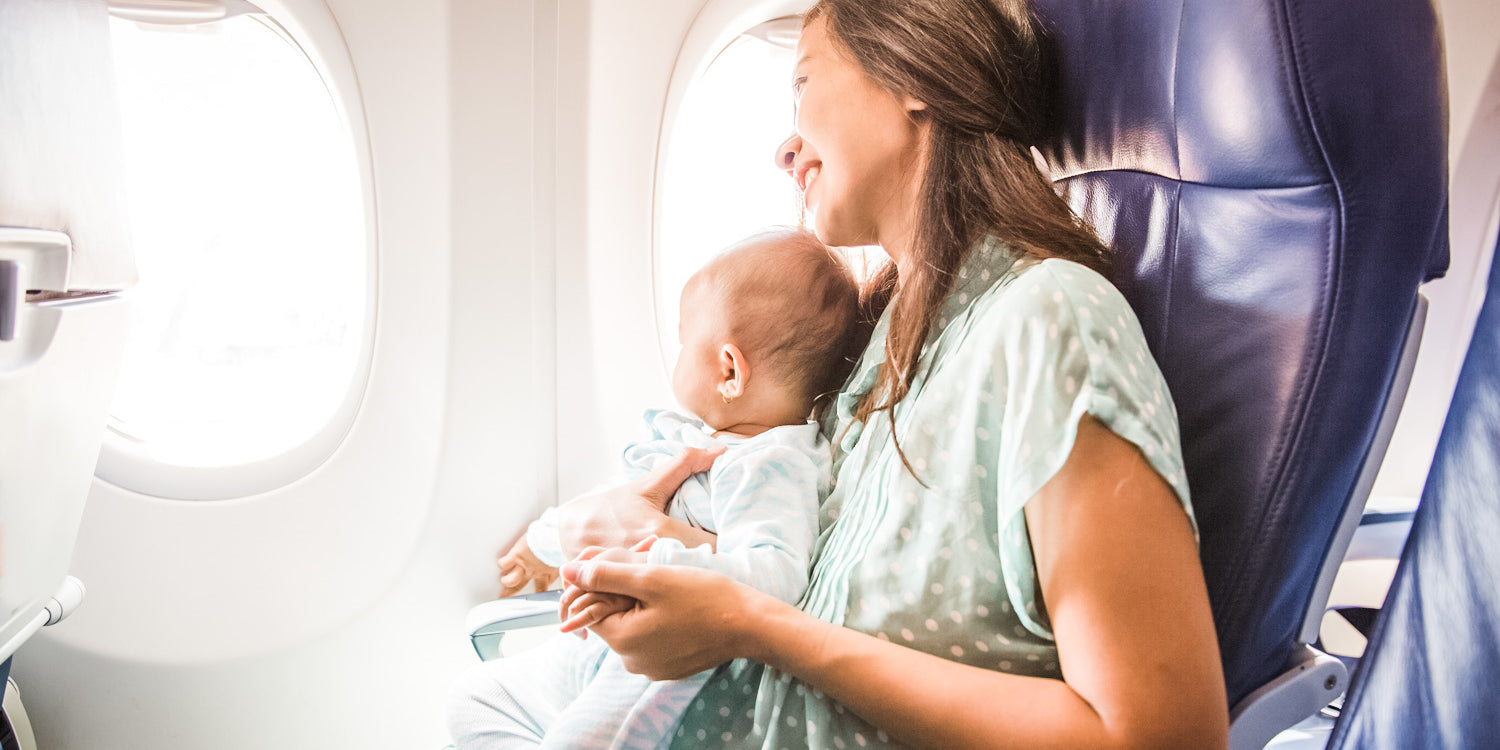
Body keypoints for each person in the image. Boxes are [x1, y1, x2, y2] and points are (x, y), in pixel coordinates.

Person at [545, 0, 1231, 747]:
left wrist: (753, 627)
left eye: (803, 84)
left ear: (912, 79)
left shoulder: (1051, 322)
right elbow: (823, 580)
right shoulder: (880, 347)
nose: (786, 146)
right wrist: (660, 543)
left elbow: (1160, 735)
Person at [447, 229, 864, 749]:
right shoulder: (691, 439)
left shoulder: (772, 465)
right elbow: (619, 501)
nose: (679, 351)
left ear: (729, 371)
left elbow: (774, 575)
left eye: (687, 341)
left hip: (664, 669)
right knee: (475, 696)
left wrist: (661, 559)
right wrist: (543, 542)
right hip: (597, 650)